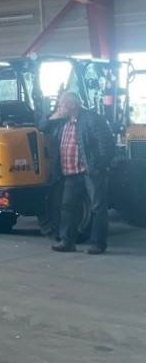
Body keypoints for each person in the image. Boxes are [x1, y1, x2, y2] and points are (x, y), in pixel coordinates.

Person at [42, 92, 114, 254]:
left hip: (90, 172)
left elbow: (107, 144)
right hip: (70, 172)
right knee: (67, 207)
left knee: (97, 208)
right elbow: (41, 127)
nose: (59, 108)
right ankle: (67, 242)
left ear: (72, 105)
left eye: (62, 105)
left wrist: (98, 166)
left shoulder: (92, 119)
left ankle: (98, 244)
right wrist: (52, 116)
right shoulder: (61, 122)